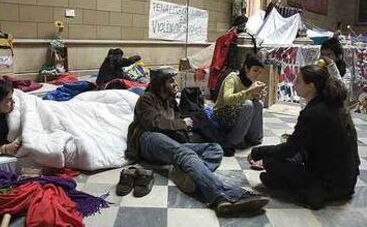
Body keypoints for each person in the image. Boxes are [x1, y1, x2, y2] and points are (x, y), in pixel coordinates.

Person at [126, 68, 269, 216]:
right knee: (185, 153)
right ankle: (223, 196)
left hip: (169, 142)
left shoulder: (170, 101)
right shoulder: (146, 99)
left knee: (215, 149)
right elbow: (153, 123)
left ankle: (189, 178)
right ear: (160, 84)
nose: (175, 84)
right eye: (171, 81)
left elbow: (176, 126)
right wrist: (182, 124)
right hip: (148, 139)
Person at [249, 65, 360, 209]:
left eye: (298, 81)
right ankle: (281, 182)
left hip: (329, 185)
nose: (294, 84)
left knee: (270, 161)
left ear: (310, 86)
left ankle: (303, 191)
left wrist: (258, 151)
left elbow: (289, 150)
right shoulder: (334, 104)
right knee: (282, 163)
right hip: (348, 182)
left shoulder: (313, 113)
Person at [213, 54, 266, 156]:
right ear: (246, 68)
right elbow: (227, 99)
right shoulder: (232, 78)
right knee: (248, 104)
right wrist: (249, 92)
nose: (257, 75)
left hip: (237, 113)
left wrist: (258, 95)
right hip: (221, 112)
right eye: (255, 70)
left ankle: (255, 138)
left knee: (258, 103)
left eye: (259, 72)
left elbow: (249, 99)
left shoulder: (252, 81)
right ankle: (235, 140)